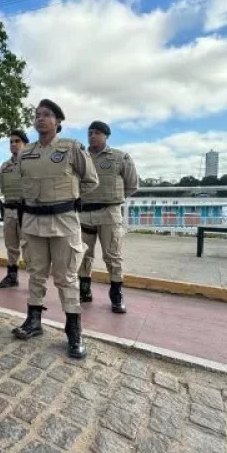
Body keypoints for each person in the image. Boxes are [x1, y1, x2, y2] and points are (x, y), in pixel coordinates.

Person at [11, 99, 98, 360]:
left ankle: (74, 331)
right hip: (33, 222)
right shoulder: (26, 153)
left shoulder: (72, 148)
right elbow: (24, 183)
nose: (40, 119)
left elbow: (90, 181)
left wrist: (68, 199)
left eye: (46, 115)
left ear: (58, 121)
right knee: (36, 273)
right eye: (37, 115)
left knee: (66, 277)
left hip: (63, 222)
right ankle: (33, 321)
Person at [78, 121, 138, 313]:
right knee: (83, 254)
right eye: (89, 133)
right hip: (85, 213)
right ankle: (84, 290)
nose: (92, 136)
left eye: (96, 133)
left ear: (106, 135)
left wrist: (113, 199)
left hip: (109, 214)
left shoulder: (120, 157)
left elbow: (132, 185)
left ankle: (116, 294)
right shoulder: (81, 158)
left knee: (112, 255)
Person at [0, 129, 29, 288]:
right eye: (11, 141)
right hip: (9, 211)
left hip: (27, 211)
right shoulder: (4, 166)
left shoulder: (31, 164)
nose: (13, 144)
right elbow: (2, 188)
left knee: (29, 246)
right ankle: (11, 276)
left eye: (17, 141)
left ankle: (35, 280)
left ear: (25, 144)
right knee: (11, 245)